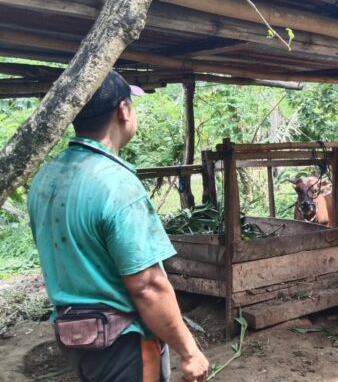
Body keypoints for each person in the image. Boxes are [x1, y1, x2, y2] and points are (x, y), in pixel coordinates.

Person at [28, 70, 208, 382]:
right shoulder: (117, 184)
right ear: (123, 110)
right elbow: (147, 285)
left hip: (74, 337)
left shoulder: (46, 177)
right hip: (121, 343)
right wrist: (189, 352)